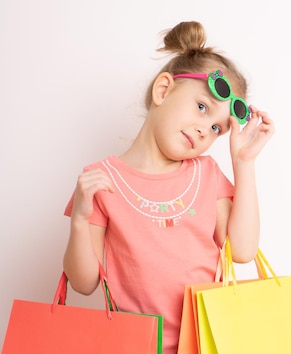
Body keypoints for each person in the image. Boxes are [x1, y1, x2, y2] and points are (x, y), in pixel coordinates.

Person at [62, 21, 275, 353]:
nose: (206, 129)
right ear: (163, 90)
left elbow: (243, 251)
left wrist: (244, 163)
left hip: (207, 342)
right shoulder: (100, 180)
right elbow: (83, 283)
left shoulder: (206, 175)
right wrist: (79, 219)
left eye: (218, 127)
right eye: (202, 107)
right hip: (136, 346)